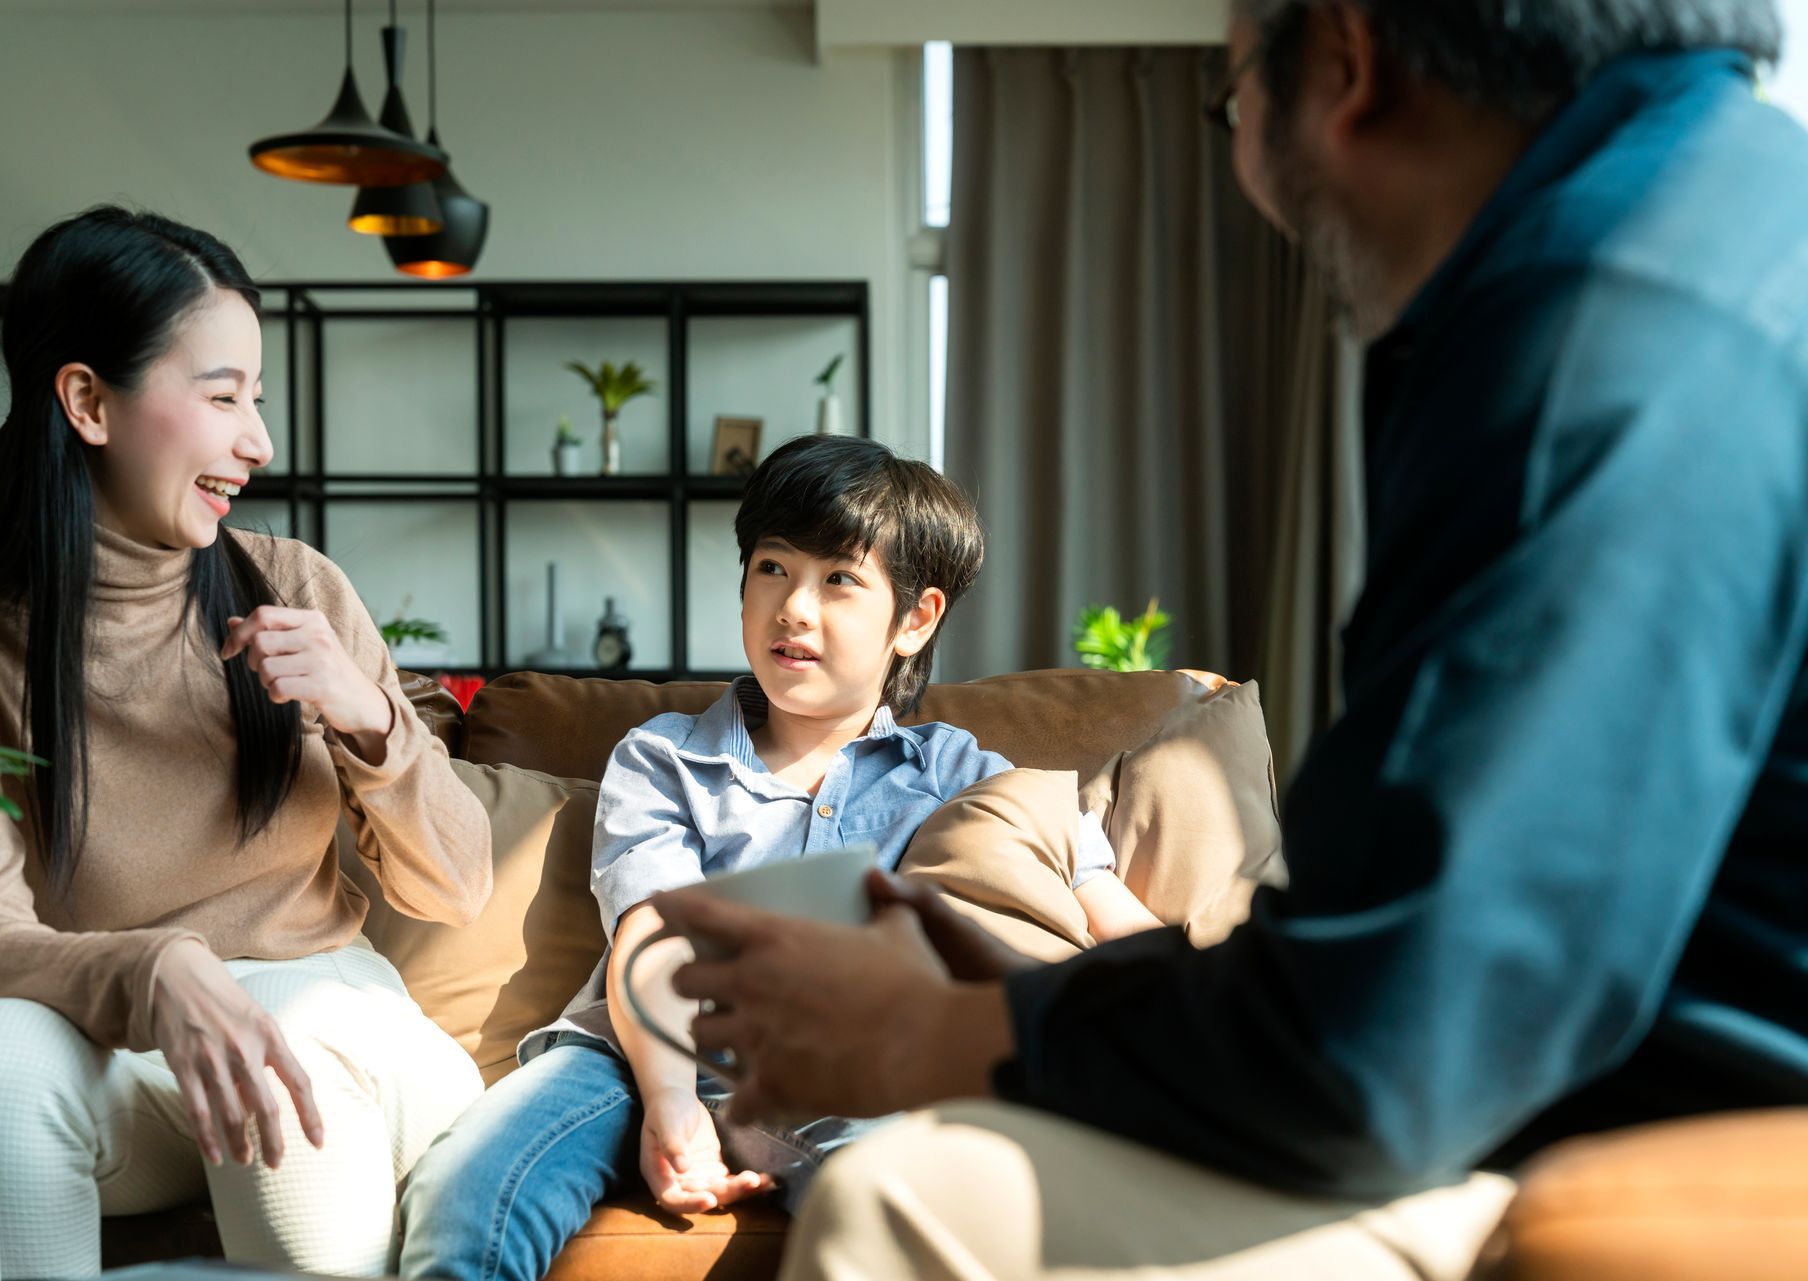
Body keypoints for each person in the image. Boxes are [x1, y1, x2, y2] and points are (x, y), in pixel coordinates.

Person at [647, 2, 1808, 1278]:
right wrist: (1016, 1006)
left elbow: (1391, 1038)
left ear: (1349, 62)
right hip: (1582, 1093)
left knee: (902, 1204)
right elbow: (1414, 940)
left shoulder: (1602, 324)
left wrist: (933, 1035)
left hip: (1673, 1150)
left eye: (1236, 93)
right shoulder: (1718, 221)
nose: (1246, 147)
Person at [0, 206, 493, 1279]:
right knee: (2, 1055)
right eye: (223, 398)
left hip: (331, 1027)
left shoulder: (297, 586)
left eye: (254, 399)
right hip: (113, 1034)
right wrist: (159, 966)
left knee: (286, 1057)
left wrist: (368, 717)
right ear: (87, 402)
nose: (258, 441)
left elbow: (458, 888)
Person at [397, 435, 1160, 1281]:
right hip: (630, 1053)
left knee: (914, 1197)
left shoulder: (961, 774)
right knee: (464, 1193)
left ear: (915, 618)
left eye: (839, 579)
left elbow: (1108, 914)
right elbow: (656, 935)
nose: (794, 607)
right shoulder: (664, 758)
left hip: (839, 1067)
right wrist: (671, 1101)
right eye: (773, 568)